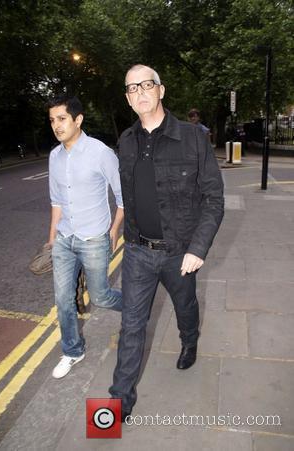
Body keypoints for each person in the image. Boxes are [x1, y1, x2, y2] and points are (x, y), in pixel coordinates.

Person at [109, 65, 224, 420]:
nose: (139, 92)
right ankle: (117, 404)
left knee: (186, 306)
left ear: (162, 90)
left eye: (146, 84)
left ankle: (189, 340)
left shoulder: (192, 138)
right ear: (128, 99)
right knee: (130, 327)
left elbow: (214, 199)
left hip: (180, 253)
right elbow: (129, 195)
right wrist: (118, 231)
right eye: (132, 88)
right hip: (138, 252)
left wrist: (197, 248)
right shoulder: (126, 141)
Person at [47, 94, 124, 379]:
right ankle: (72, 351)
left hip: (94, 238)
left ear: (78, 120)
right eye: (53, 120)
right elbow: (56, 201)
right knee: (63, 299)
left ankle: (135, 307)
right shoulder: (54, 156)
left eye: (62, 119)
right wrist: (52, 238)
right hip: (65, 239)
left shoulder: (100, 152)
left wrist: (114, 230)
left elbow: (122, 196)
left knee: (101, 296)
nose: (56, 125)